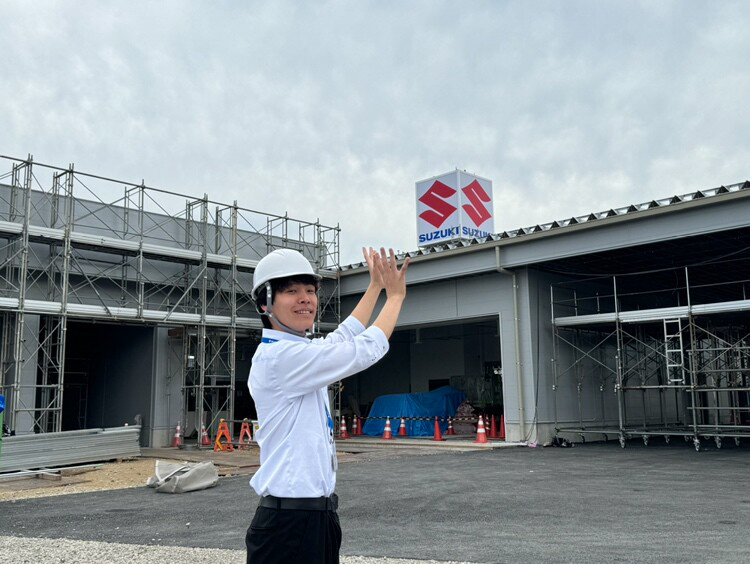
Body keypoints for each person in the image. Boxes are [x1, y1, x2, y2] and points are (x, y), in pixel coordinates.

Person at [246, 246, 409, 564]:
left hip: (314, 516)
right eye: (291, 291)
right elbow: (363, 350)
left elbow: (343, 336)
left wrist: (375, 286)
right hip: (288, 524)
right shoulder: (281, 358)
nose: (305, 299)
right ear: (265, 303)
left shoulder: (299, 351)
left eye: (310, 290)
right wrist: (395, 297)